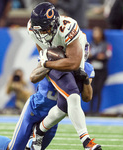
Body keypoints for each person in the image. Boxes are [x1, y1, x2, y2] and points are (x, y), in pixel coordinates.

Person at [0, 60, 95, 150]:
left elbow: (87, 97)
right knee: (14, 148)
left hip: (52, 118)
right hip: (35, 109)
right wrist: (48, 65)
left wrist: (84, 80)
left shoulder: (86, 68)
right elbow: (33, 77)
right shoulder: (53, 57)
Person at [27, 2, 101, 150]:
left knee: (63, 107)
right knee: (73, 95)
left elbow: (74, 64)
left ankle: (39, 131)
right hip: (55, 62)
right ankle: (86, 141)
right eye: (40, 30)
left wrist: (85, 79)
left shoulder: (68, 27)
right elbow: (43, 54)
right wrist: (47, 64)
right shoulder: (32, 29)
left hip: (71, 62)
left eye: (46, 28)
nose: (43, 33)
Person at [88, 26, 112, 115]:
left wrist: (97, 56)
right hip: (92, 70)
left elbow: (107, 55)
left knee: (98, 90)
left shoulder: (106, 45)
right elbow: (88, 55)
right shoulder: (90, 44)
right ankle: (90, 111)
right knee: (91, 90)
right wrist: (97, 56)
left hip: (102, 71)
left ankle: (97, 111)